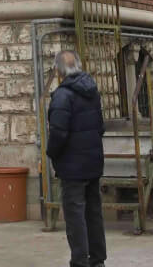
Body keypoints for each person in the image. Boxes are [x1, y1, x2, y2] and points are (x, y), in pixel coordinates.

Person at [45, 50, 105, 267]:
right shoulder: (92, 90)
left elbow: (58, 133)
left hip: (72, 167)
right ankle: (97, 260)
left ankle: (79, 261)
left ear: (59, 72)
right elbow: (100, 127)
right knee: (94, 213)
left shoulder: (62, 96)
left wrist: (52, 153)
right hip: (93, 162)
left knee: (75, 216)